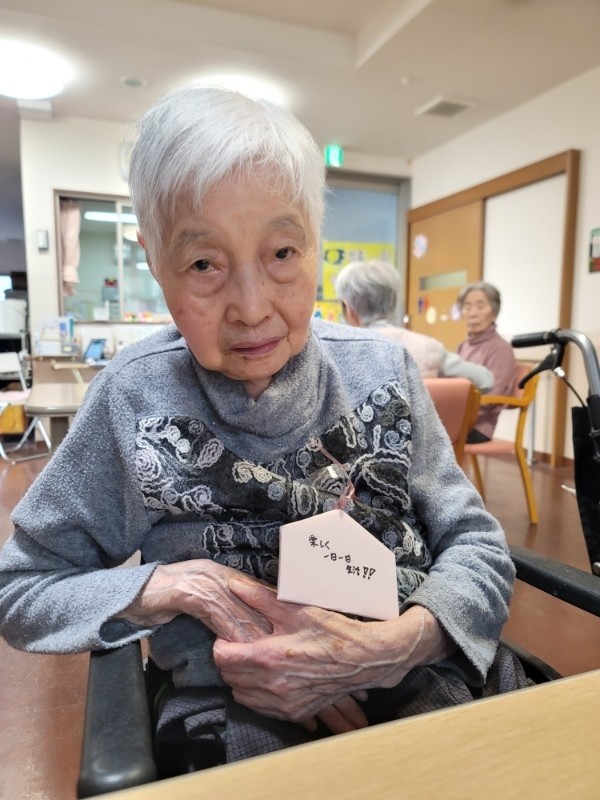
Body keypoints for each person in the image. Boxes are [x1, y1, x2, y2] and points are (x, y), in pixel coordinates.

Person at [0, 87, 525, 771]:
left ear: (316, 247)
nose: (251, 309)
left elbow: (476, 543)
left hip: (424, 676)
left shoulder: (384, 371)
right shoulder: (133, 398)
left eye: (281, 253)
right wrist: (175, 586)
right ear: (155, 264)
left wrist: (400, 645)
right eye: (203, 264)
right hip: (231, 716)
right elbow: (23, 589)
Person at [335, 259, 494, 392]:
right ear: (393, 303)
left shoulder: (339, 353)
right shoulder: (428, 348)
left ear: (348, 309)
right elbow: (486, 380)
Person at [457, 281, 517, 443]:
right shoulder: (463, 346)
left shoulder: (501, 348)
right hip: (456, 419)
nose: (473, 313)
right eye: (467, 307)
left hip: (477, 426)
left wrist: (453, 405)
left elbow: (493, 394)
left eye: (480, 306)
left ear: (494, 312)